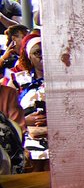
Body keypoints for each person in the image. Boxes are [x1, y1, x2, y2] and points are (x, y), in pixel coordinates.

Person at [15, 35, 46, 169]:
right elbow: (5, 116)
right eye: (37, 52)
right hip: (29, 145)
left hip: (60, 142)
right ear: (29, 58)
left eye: (45, 50)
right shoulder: (18, 80)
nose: (42, 55)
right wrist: (24, 121)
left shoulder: (64, 79)